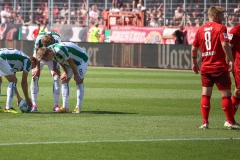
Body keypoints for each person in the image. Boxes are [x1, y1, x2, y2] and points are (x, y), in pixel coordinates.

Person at [191, 6, 240, 129]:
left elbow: (193, 48)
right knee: (226, 95)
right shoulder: (221, 28)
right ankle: (230, 121)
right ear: (215, 15)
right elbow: (225, 45)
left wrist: (195, 63)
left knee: (205, 95)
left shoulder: (201, 29)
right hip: (219, 66)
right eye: (222, 15)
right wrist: (231, 60)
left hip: (206, 67)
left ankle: (204, 122)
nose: (224, 18)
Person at [36, 42, 89, 113]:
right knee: (64, 80)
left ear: (49, 54)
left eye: (46, 59)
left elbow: (70, 61)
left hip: (81, 60)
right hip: (71, 62)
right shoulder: (51, 52)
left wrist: (76, 74)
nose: (46, 61)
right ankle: (65, 107)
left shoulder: (59, 50)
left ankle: (78, 107)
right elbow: (60, 61)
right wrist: (66, 72)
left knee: (79, 81)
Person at [31, 32, 61, 112]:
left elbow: (56, 54)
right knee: (34, 77)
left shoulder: (57, 40)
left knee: (56, 77)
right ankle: (34, 105)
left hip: (52, 56)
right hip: (39, 55)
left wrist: (55, 68)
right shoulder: (38, 40)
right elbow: (38, 53)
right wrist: (37, 68)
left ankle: (56, 105)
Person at [0, 48, 37, 113]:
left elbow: (12, 84)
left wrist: (18, 98)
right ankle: (8, 107)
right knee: (13, 80)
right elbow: (24, 82)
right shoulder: (28, 60)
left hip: (2, 57)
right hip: (2, 57)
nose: (30, 69)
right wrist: (27, 98)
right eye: (32, 67)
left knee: (3, 80)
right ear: (32, 62)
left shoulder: (16, 63)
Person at [228, 23, 240, 123]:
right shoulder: (235, 31)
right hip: (238, 65)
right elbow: (228, 48)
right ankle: (229, 119)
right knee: (239, 91)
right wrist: (228, 63)